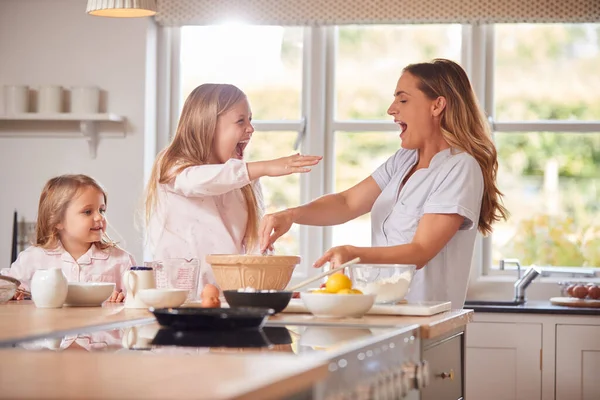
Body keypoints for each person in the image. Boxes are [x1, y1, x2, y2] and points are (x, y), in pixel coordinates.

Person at [258, 59, 508, 308]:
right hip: (386, 313)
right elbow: (347, 203)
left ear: (437, 105)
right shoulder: (404, 160)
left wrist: (354, 254)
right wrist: (291, 215)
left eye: (403, 100)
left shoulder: (459, 167)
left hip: (426, 322)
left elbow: (420, 251)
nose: (391, 109)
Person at [144, 83, 322, 295]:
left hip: (229, 299)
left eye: (250, 119)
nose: (251, 128)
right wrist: (265, 167)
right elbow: (196, 182)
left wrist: (269, 287)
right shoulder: (174, 166)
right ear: (207, 125)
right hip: (180, 298)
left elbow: (252, 246)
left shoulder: (245, 182)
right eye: (241, 121)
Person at [6, 174, 135, 301]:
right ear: (58, 221)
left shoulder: (121, 261)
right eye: (88, 211)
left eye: (102, 210)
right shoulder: (33, 258)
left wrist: (123, 299)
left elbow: (139, 299)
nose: (100, 217)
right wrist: (12, 293)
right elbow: (5, 286)